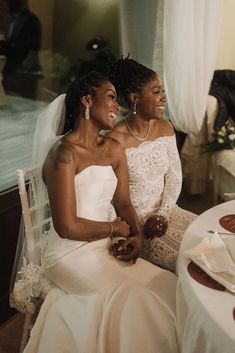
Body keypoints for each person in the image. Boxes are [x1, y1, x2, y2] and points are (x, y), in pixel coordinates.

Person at [11, 71, 179, 353]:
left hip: (104, 247)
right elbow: (67, 227)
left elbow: (124, 203)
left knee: (168, 283)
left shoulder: (113, 149)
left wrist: (135, 237)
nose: (118, 106)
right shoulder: (63, 154)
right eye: (111, 98)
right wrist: (114, 229)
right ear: (87, 100)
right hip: (67, 253)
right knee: (132, 299)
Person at [108, 57, 197, 273]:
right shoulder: (114, 140)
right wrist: (129, 231)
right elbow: (115, 199)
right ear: (135, 98)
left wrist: (164, 214)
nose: (163, 97)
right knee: (192, 264)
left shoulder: (165, 127)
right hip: (138, 225)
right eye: (156, 92)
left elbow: (175, 177)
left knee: (212, 240)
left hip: (168, 211)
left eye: (162, 91)